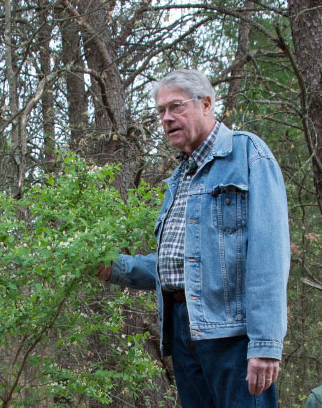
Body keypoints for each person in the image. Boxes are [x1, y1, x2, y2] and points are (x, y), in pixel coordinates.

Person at [97, 69, 289, 407]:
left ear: (206, 104)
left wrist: (265, 344)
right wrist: (114, 268)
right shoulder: (179, 177)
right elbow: (178, 267)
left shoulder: (247, 155)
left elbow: (269, 255)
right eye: (160, 111)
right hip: (183, 329)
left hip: (233, 336)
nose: (166, 118)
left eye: (175, 107)